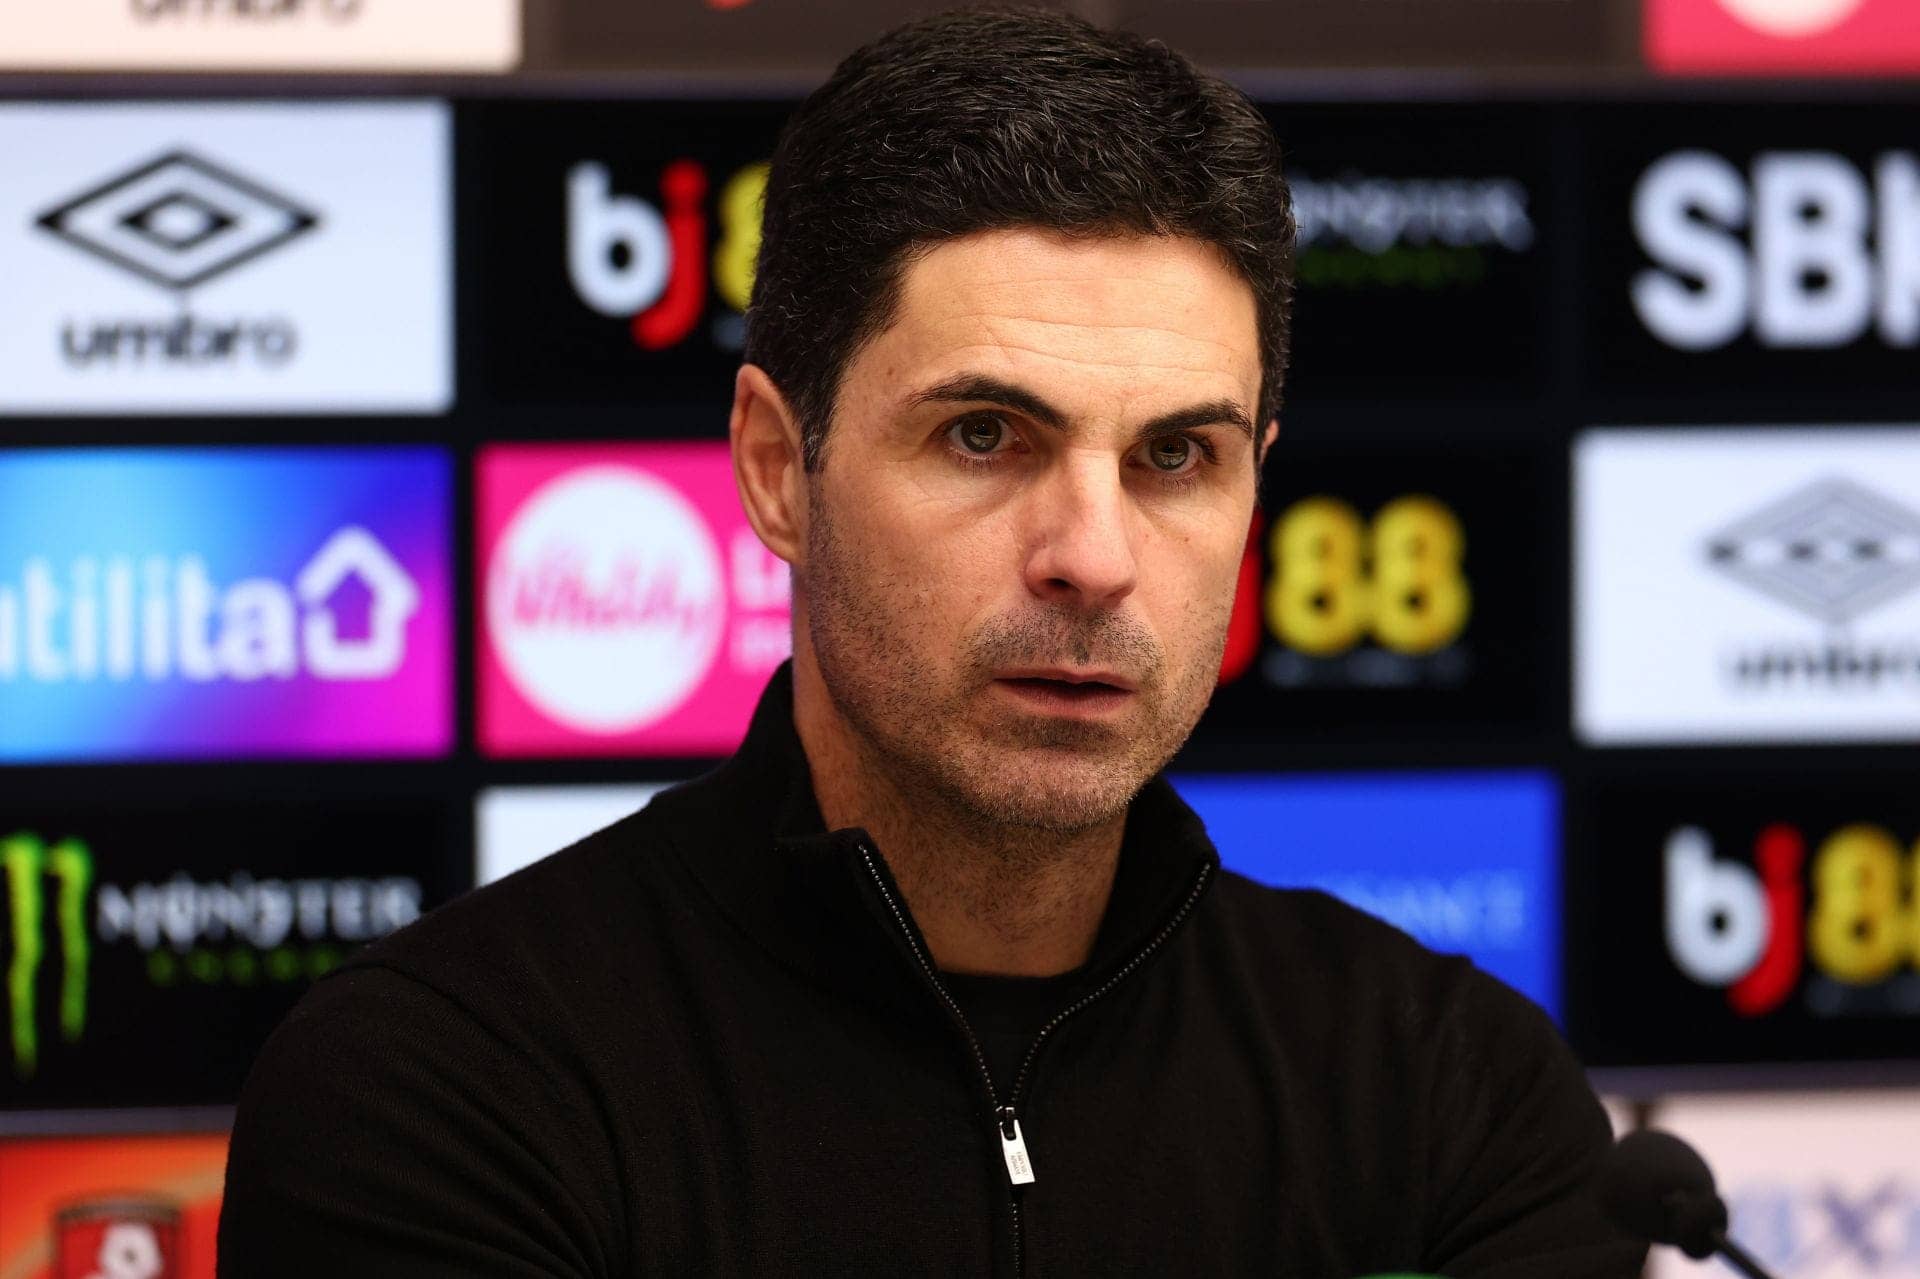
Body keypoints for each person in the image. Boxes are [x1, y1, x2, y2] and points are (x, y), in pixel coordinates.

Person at [218, 8, 1643, 1276]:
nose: (1093, 557)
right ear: (777, 470)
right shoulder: (445, 1088)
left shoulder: (1454, 1096)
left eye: (1175, 457)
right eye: (983, 436)